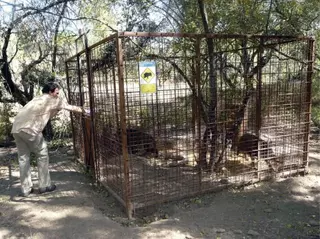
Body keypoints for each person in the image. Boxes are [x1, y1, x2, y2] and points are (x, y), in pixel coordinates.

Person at [11, 82, 89, 197]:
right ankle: (44, 186)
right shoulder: (52, 99)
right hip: (30, 130)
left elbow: (46, 113)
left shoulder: (37, 99)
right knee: (42, 154)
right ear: (51, 92)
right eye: (57, 92)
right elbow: (68, 107)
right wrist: (85, 110)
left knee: (23, 158)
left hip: (16, 129)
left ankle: (26, 189)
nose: (58, 94)